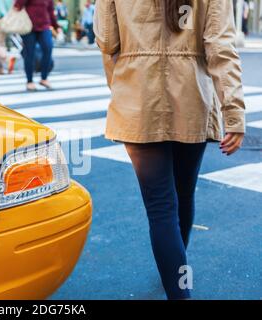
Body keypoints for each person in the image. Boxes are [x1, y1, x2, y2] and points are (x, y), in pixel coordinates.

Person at [94, 0, 245, 300]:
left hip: (138, 96)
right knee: (183, 194)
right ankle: (176, 267)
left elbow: (108, 40)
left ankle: (175, 279)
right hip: (191, 97)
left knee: (161, 209)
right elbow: (220, 46)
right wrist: (234, 113)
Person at [14, 0, 60, 91]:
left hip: (44, 26)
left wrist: (55, 25)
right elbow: (17, 5)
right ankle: (29, 81)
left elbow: (50, 10)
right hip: (28, 26)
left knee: (48, 48)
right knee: (29, 53)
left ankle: (44, 78)